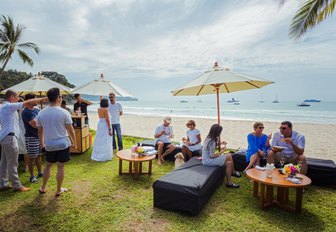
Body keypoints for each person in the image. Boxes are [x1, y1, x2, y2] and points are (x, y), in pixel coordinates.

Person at [0, 90, 46, 192]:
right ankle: (17, 185)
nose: (18, 99)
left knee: (4, 162)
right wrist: (43, 99)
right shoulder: (9, 106)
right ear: (12, 97)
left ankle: (3, 183)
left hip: (4, 137)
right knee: (13, 162)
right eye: (16, 97)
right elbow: (27, 102)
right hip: (10, 138)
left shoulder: (2, 106)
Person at [36, 88, 76, 197]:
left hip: (49, 144)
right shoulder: (64, 112)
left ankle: (43, 187)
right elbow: (70, 129)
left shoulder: (41, 113)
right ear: (58, 98)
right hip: (62, 143)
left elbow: (40, 130)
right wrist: (74, 142)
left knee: (48, 165)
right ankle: (58, 190)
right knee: (60, 166)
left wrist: (42, 143)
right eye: (61, 96)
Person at [202, 124, 241, 188]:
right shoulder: (212, 142)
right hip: (208, 161)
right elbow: (212, 156)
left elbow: (211, 148)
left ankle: (229, 183)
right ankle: (233, 172)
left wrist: (220, 143)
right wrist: (221, 152)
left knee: (229, 163)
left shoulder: (209, 137)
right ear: (217, 132)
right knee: (229, 155)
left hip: (206, 159)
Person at [22, 93, 43, 183]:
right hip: (31, 137)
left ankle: (40, 172)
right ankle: (32, 176)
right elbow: (35, 125)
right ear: (29, 101)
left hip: (38, 136)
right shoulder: (26, 112)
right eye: (35, 99)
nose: (37, 101)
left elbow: (41, 121)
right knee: (32, 157)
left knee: (38, 155)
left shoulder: (36, 110)